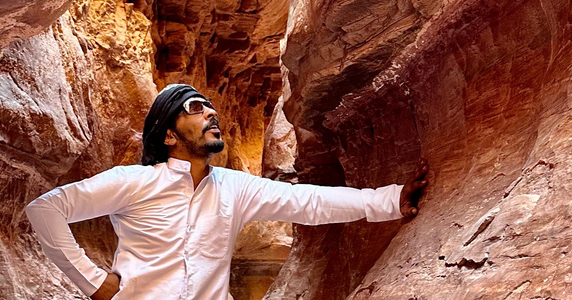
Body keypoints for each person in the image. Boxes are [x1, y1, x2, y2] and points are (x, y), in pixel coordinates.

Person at [25, 84, 429, 300]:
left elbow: (309, 202)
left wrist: (391, 199)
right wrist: (93, 282)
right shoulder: (133, 181)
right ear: (168, 134)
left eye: (210, 108)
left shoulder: (233, 187)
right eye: (196, 108)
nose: (211, 113)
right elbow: (46, 209)